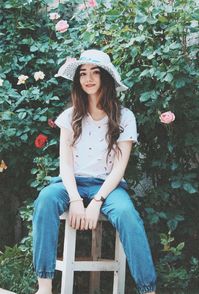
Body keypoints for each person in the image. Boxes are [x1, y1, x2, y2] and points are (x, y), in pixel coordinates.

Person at [32, 49, 157, 294]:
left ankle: (148, 290)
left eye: (95, 72)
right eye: (83, 73)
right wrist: (76, 199)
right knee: (45, 200)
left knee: (127, 214)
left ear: (106, 78)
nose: (88, 78)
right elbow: (65, 164)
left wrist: (97, 200)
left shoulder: (125, 117)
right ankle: (44, 287)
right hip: (71, 183)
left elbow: (119, 168)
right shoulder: (69, 116)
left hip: (108, 187)